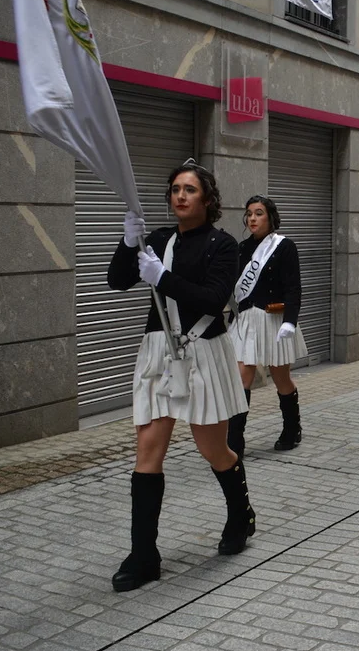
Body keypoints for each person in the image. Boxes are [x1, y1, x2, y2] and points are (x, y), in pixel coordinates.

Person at [106, 159, 254, 592]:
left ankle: (241, 515)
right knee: (147, 451)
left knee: (214, 449)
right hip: (159, 352)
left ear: (207, 199)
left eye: (189, 189)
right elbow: (117, 281)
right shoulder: (157, 239)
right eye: (175, 189)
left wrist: (163, 277)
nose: (180, 196)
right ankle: (143, 555)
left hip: (203, 351)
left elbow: (212, 299)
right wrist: (127, 242)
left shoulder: (223, 245)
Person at [229, 195, 309, 455]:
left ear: (270, 217)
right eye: (249, 213)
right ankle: (234, 441)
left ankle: (292, 428)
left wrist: (290, 321)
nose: (252, 218)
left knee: (280, 377)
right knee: (242, 377)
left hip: (274, 320)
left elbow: (294, 288)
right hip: (246, 320)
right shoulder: (241, 248)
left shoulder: (284, 247)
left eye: (258, 213)